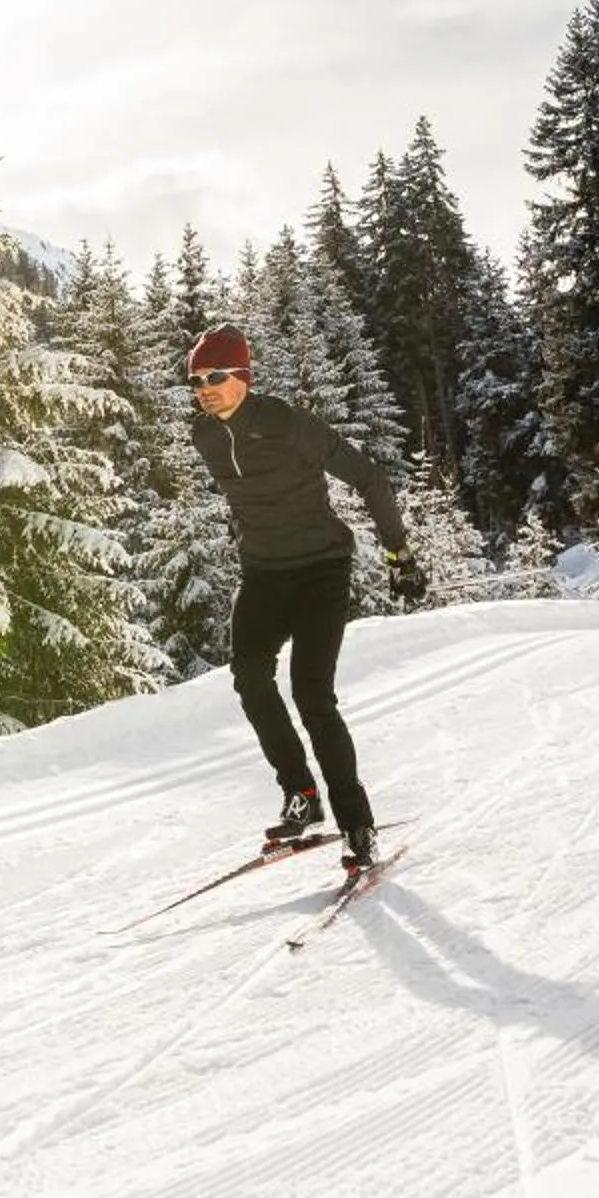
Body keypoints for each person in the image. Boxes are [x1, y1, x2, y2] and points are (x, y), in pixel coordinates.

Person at [183, 325, 426, 871]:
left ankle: (357, 824)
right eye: (196, 381)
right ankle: (301, 793)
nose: (205, 389)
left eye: (215, 377)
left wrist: (400, 553)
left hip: (321, 569)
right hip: (263, 573)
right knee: (250, 677)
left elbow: (368, 478)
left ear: (243, 376)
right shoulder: (204, 436)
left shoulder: (288, 423)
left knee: (312, 695)